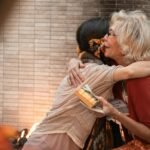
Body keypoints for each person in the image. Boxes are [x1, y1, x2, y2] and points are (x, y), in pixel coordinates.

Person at [22, 17, 150, 150]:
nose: (106, 38)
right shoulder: (95, 71)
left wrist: (74, 60)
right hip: (50, 144)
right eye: (107, 34)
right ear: (96, 44)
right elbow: (129, 71)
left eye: (111, 34)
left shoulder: (93, 70)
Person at [68, 10, 150, 149]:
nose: (104, 38)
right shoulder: (115, 68)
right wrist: (73, 62)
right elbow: (89, 59)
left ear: (127, 44)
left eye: (111, 34)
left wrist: (115, 114)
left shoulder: (140, 81)